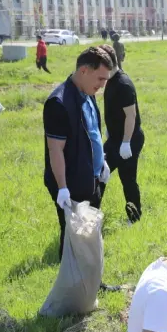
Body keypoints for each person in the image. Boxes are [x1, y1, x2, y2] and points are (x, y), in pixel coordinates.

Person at [43, 47, 114, 258]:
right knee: (74, 239)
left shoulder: (87, 93)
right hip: (73, 183)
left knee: (90, 235)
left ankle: (92, 284)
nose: (103, 85)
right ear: (84, 71)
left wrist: (101, 163)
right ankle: (72, 287)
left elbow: (92, 132)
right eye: (100, 78)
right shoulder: (59, 103)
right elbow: (55, 148)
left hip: (92, 179)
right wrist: (62, 188)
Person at [98, 45, 144, 223]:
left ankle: (134, 218)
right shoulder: (111, 79)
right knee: (100, 173)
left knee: (124, 177)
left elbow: (131, 116)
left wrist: (125, 142)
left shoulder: (123, 84)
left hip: (128, 139)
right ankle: (92, 216)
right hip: (116, 138)